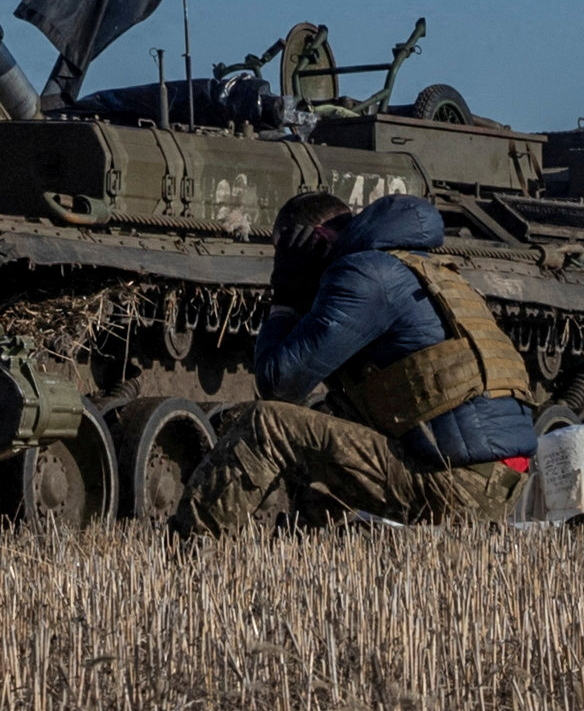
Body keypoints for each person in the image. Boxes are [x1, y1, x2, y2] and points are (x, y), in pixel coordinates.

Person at [178, 190, 541, 533]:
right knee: (332, 417)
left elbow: (279, 384)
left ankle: (191, 552)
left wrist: (286, 297)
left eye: (285, 251)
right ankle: (315, 555)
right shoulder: (424, 270)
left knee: (266, 424)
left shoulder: (363, 275)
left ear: (314, 241)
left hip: (456, 484)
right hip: (497, 482)